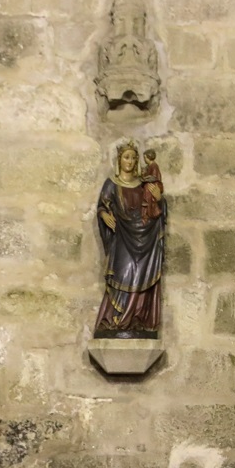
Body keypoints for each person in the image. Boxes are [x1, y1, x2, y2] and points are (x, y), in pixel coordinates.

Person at [92, 140, 166, 339]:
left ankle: (137, 319)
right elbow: (103, 206)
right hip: (122, 238)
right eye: (126, 157)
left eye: (133, 158)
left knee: (141, 277)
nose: (130, 161)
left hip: (145, 237)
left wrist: (159, 198)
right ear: (119, 160)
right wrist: (103, 214)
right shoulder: (112, 185)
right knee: (123, 274)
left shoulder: (144, 185)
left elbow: (156, 211)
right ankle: (117, 320)